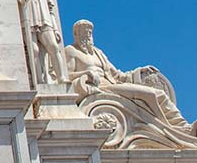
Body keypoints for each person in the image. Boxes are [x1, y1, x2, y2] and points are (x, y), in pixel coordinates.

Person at [66, 19, 195, 134]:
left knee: (158, 94)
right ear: (76, 34)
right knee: (149, 95)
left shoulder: (98, 53)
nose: (87, 35)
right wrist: (85, 74)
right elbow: (65, 77)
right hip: (101, 88)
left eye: (89, 32)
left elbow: (118, 75)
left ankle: (182, 126)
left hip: (112, 85)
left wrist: (139, 71)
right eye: (84, 32)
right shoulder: (71, 51)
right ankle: (168, 129)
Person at [15, 0, 66, 84]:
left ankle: (61, 77)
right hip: (28, 22)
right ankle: (39, 81)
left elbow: (51, 7)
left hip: (45, 21)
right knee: (34, 51)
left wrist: (55, 28)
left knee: (53, 47)